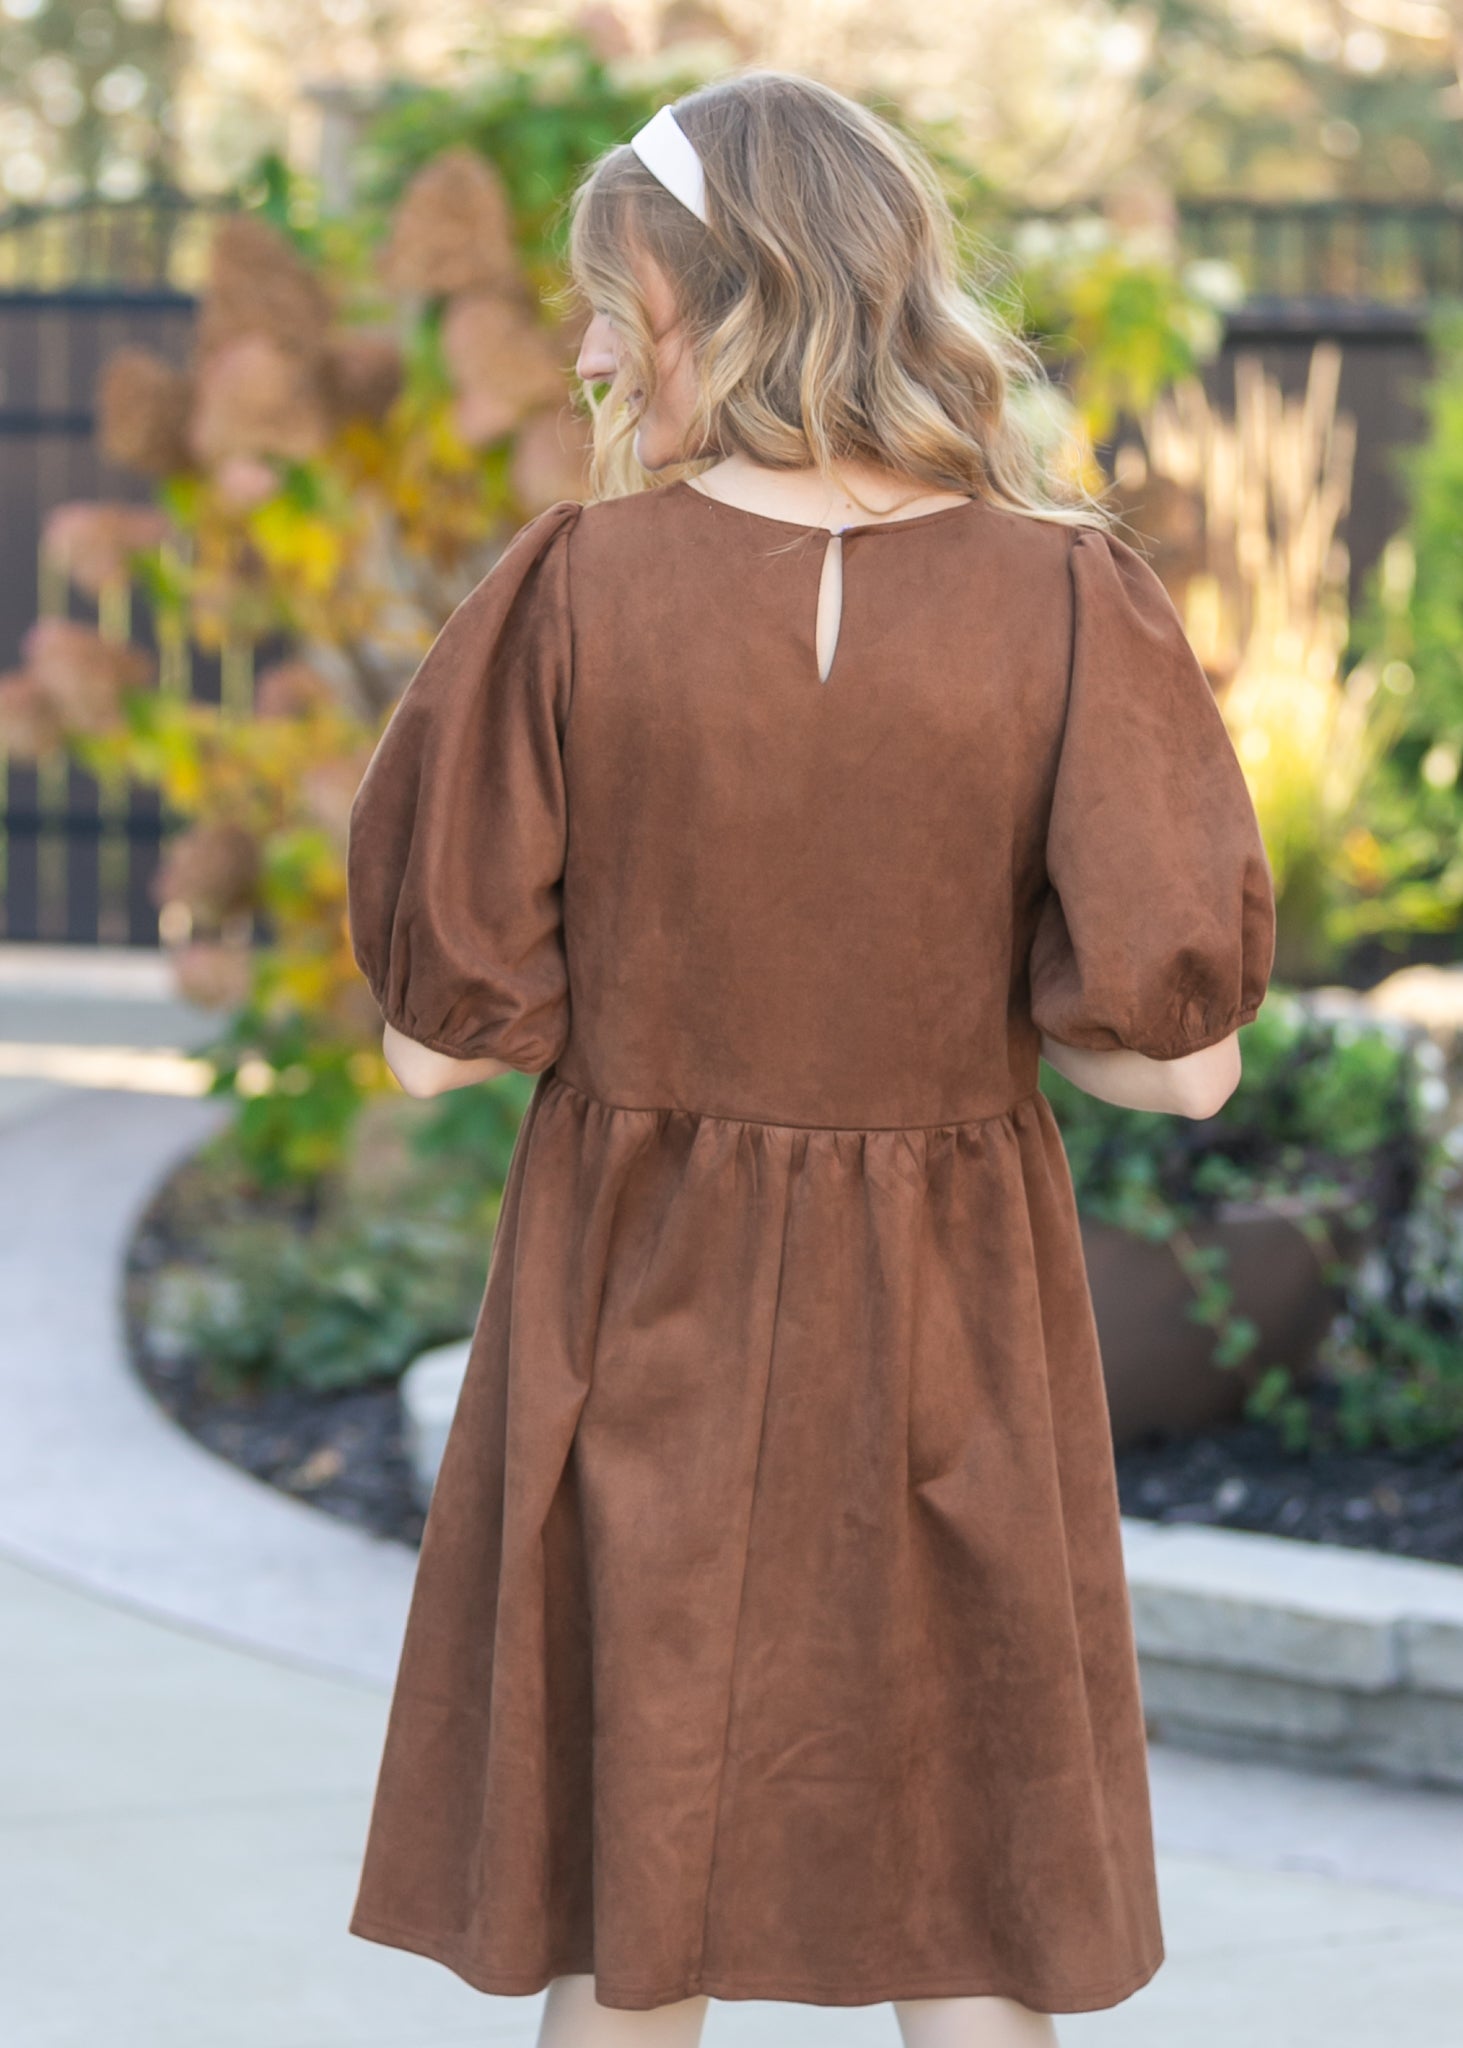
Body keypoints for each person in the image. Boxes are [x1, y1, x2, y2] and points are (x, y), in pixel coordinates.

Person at [344, 69, 1276, 2048]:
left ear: (727, 293)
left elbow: (432, 1050)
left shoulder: (572, 593)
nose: (592, 353)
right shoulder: (1068, 598)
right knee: (961, 1908)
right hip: (955, 1310)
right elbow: (1178, 1072)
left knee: (634, 1908)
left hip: (632, 1287)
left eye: (616, 307)